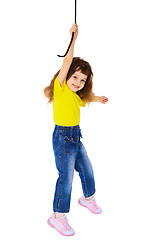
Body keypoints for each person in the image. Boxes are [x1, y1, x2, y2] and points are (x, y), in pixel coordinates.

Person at [43, 23, 108, 236]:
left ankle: (87, 198)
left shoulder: (75, 96)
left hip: (75, 136)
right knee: (66, 177)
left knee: (87, 169)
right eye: (75, 77)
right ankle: (57, 217)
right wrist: (73, 37)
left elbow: (86, 98)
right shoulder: (60, 88)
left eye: (83, 80)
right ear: (66, 75)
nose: (78, 82)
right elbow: (68, 60)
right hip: (62, 137)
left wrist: (99, 98)